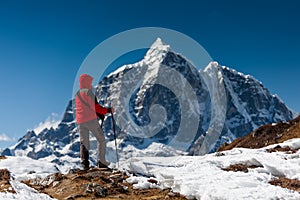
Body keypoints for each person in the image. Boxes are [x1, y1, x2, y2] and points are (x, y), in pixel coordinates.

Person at [75, 74, 112, 170]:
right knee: (101, 140)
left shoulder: (78, 94)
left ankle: (85, 165)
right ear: (87, 82)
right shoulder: (89, 93)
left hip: (81, 122)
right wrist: (107, 111)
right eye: (90, 81)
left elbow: (86, 107)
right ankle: (101, 162)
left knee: (84, 143)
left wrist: (98, 114)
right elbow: (96, 107)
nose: (91, 83)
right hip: (91, 121)